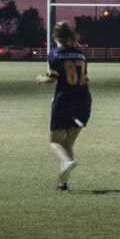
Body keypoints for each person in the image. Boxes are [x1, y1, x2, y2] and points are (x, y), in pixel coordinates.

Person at [44, 21, 92, 190]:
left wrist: (41, 79)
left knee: (54, 142)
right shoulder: (81, 54)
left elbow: (52, 79)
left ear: (56, 37)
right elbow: (86, 78)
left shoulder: (55, 54)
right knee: (68, 143)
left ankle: (67, 161)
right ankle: (62, 183)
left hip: (64, 101)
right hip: (84, 101)